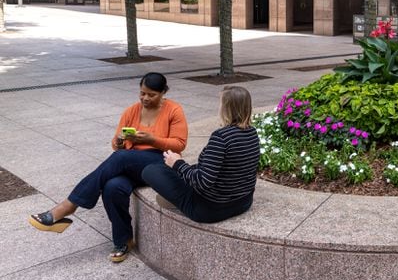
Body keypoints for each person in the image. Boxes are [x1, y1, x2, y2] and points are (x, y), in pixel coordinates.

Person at [28, 72, 188, 263]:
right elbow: (116, 145)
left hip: (159, 162)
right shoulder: (131, 111)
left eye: (151, 95)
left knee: (120, 158)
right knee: (113, 187)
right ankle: (124, 240)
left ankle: (67, 206)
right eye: (142, 93)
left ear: (163, 92)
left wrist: (151, 139)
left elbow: (179, 144)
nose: (145, 98)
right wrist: (120, 141)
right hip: (129, 161)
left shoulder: (174, 110)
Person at [141, 86, 260, 224]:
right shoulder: (252, 133)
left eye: (221, 103)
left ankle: (174, 198)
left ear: (226, 108)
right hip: (243, 203)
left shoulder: (221, 137)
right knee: (174, 169)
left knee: (151, 170)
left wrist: (177, 163)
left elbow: (203, 182)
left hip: (209, 209)